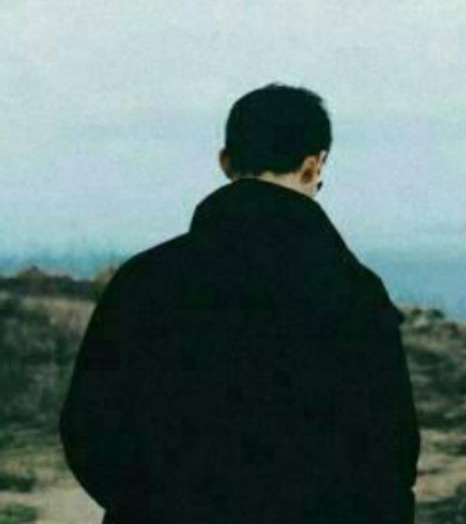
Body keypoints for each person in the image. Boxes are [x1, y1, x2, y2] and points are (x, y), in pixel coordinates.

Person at [59, 83, 421, 524]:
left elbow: (89, 428)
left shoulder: (144, 279)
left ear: (225, 161)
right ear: (314, 165)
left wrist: (151, 505)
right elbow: (389, 455)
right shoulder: (354, 291)